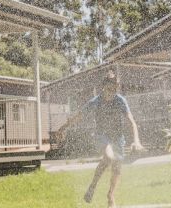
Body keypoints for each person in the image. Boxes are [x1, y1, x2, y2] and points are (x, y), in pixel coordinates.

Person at [52, 70, 144, 208]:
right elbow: (78, 116)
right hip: (102, 136)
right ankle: (93, 186)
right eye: (109, 85)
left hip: (118, 137)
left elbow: (131, 122)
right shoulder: (96, 101)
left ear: (116, 87)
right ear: (104, 86)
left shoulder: (120, 101)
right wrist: (62, 128)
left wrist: (136, 140)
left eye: (114, 86)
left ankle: (110, 195)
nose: (112, 88)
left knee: (117, 168)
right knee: (109, 157)